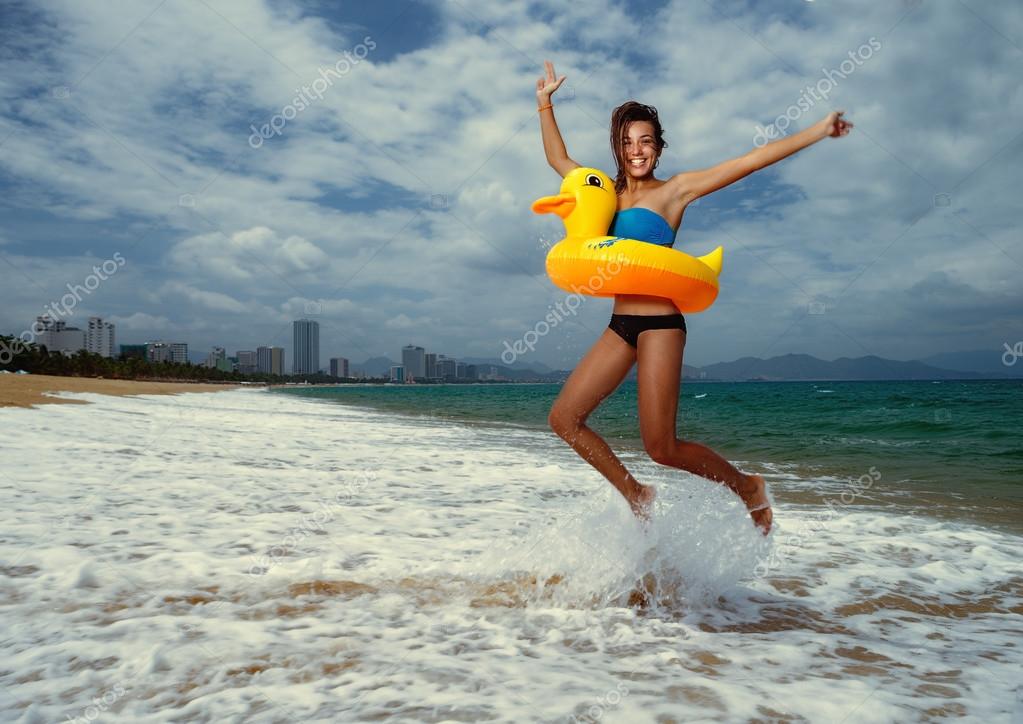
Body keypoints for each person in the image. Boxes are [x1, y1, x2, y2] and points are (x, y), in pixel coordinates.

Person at [536, 60, 853, 535]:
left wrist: (819, 130)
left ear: (658, 148)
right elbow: (559, 161)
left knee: (661, 447)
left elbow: (749, 162)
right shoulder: (601, 192)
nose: (636, 150)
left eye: (645, 141)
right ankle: (636, 494)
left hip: (661, 323)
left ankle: (746, 486)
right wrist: (544, 103)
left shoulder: (676, 192)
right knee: (564, 419)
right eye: (627, 142)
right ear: (617, 150)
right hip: (620, 325)